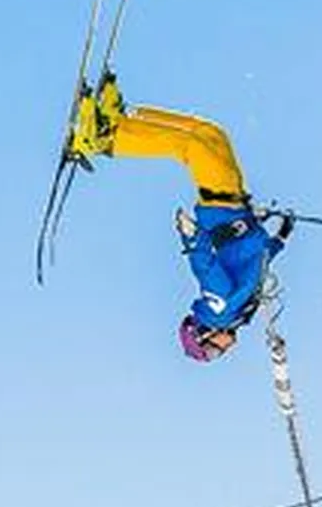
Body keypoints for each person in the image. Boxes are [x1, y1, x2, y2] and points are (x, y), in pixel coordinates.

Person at [65, 76, 294, 361]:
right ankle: (123, 119)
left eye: (212, 350)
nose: (224, 349)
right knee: (210, 134)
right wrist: (280, 239)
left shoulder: (219, 309)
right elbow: (255, 262)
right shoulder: (238, 311)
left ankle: (104, 139)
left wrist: (191, 237)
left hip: (222, 207)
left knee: (192, 145)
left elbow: (206, 268)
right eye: (215, 354)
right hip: (235, 206)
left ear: (203, 333)